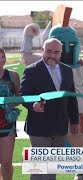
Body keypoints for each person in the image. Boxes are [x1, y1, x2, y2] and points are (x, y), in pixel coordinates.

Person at [20, 38, 79, 180]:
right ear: (42, 51)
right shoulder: (31, 70)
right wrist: (33, 105)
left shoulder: (67, 70)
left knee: (52, 170)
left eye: (56, 52)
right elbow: (24, 95)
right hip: (39, 129)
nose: (52, 55)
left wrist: (75, 121)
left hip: (60, 128)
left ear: (61, 54)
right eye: (49, 51)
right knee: (39, 171)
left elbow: (71, 97)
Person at [0, 48, 20, 180]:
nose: (1, 60)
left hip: (7, 123)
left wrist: (7, 105)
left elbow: (19, 98)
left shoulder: (13, 76)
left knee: (6, 163)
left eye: (2, 57)